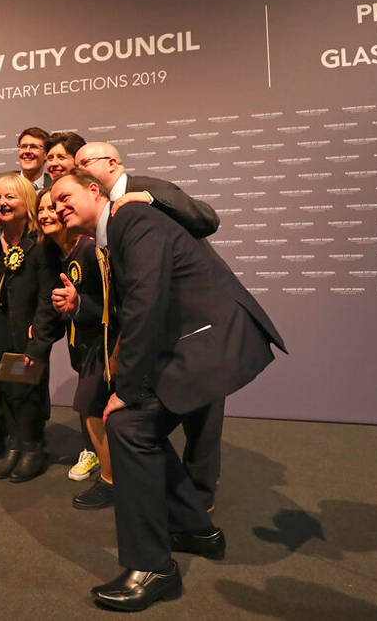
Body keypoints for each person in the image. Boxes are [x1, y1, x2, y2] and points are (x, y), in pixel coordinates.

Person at [51, 169, 285, 612]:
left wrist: (129, 389)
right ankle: (195, 529)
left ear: (94, 190)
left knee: (128, 423)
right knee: (136, 429)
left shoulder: (130, 219)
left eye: (65, 195)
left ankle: (153, 566)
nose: (58, 206)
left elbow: (145, 301)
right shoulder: (115, 232)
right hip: (199, 340)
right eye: (53, 204)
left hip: (211, 340)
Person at [76, 141, 223, 511]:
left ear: (111, 164)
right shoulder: (99, 219)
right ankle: (174, 499)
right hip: (156, 322)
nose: (75, 171)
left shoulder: (149, 188)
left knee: (203, 417)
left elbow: (208, 219)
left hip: (197, 320)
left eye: (83, 163)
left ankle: (201, 503)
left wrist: (152, 201)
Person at [0, 174, 58, 482]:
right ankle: (13, 446)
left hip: (30, 330)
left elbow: (48, 297)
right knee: (6, 386)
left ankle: (31, 449)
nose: (2, 203)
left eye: (10, 198)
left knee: (28, 390)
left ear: (27, 203)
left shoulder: (41, 243)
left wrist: (40, 335)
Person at [35, 187, 114, 508]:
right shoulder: (65, 254)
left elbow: (113, 302)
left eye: (53, 207)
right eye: (40, 209)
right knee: (89, 407)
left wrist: (79, 303)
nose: (46, 214)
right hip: (83, 343)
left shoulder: (87, 249)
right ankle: (104, 465)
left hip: (103, 345)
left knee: (91, 406)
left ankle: (112, 482)